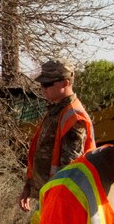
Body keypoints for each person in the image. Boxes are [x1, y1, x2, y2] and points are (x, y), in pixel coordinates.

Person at [17, 59, 95, 213]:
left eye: (47, 84)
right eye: (42, 84)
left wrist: (57, 205)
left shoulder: (73, 116)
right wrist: (29, 187)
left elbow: (70, 168)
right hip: (48, 193)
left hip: (60, 200)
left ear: (65, 83)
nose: (43, 89)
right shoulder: (56, 111)